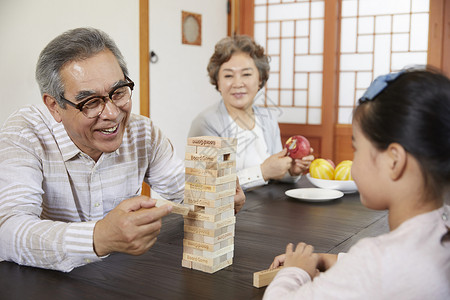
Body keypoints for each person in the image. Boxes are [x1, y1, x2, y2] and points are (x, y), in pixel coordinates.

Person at [0, 27, 245, 272]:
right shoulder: (25, 133)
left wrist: (218, 197)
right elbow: (7, 231)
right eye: (90, 102)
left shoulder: (143, 133)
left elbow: (184, 191)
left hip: (121, 278)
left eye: (118, 93)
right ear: (54, 106)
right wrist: (99, 237)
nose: (112, 114)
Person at [263, 68, 450, 299]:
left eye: (356, 149)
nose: (353, 162)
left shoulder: (374, 261)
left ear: (394, 161)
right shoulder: (443, 228)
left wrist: (295, 271)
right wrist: (333, 261)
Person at [188, 35, 314, 190]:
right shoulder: (206, 123)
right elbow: (207, 186)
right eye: (228, 75)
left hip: (266, 207)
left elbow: (275, 173)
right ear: (218, 82)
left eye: (246, 74)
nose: (237, 83)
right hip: (228, 212)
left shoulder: (267, 118)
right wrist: (262, 171)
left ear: (260, 79)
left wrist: (291, 170)